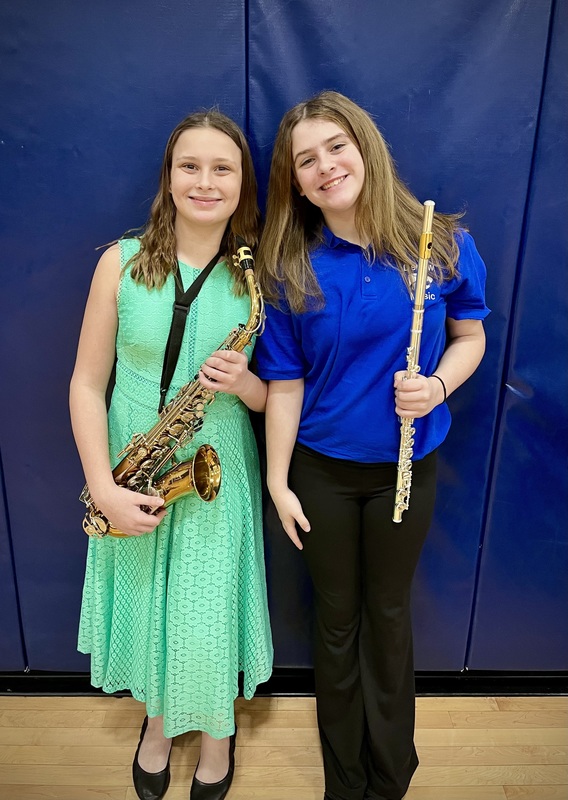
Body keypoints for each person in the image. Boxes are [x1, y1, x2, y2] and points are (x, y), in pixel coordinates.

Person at [253, 91, 489, 800]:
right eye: (306, 159)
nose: (325, 166)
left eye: (336, 147)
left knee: (387, 615)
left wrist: (438, 388)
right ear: (294, 181)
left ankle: (391, 777)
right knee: (335, 620)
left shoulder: (441, 241)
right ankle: (345, 778)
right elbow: (286, 385)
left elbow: (471, 339)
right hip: (321, 471)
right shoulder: (288, 262)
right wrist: (277, 479)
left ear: (366, 148)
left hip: (406, 468)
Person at [69, 110, 273, 800]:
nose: (205, 181)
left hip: (216, 468)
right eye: (190, 166)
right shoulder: (119, 262)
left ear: (243, 184)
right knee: (148, 601)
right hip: (134, 465)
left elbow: (281, 400)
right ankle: (157, 723)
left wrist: (248, 385)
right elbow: (86, 383)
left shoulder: (256, 276)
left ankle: (217, 734)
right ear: (168, 175)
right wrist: (103, 486)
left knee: (205, 606)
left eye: (224, 168)